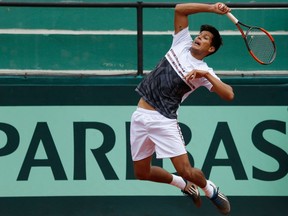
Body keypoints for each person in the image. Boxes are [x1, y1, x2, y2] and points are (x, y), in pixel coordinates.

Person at [130, 2, 234, 215]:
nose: (199, 37)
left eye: (206, 38)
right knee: (142, 173)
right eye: (200, 34)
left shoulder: (205, 71)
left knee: (185, 169)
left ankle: (210, 189)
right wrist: (212, 8)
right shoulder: (181, 42)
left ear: (211, 49)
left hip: (164, 119)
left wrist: (204, 75)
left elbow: (229, 94)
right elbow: (180, 9)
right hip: (141, 115)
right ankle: (184, 186)